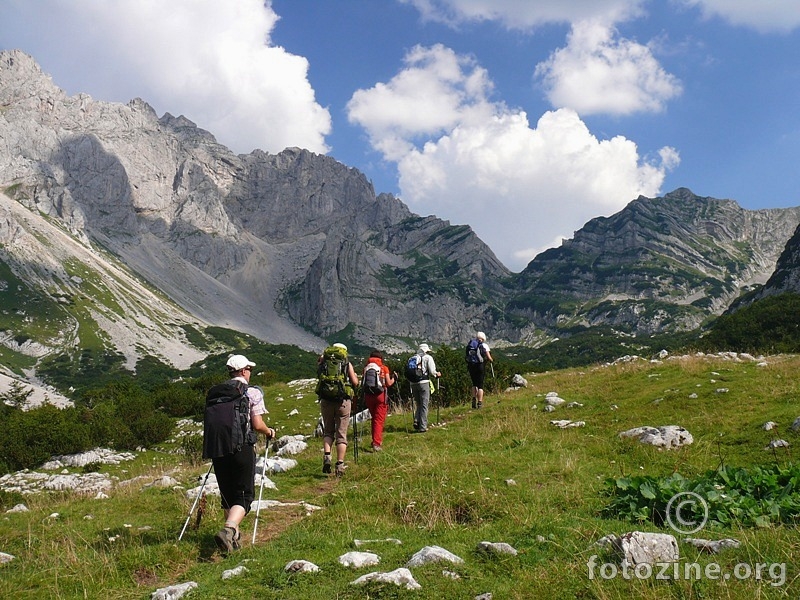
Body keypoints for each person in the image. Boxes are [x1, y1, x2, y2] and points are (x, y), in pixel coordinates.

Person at [211, 354, 275, 554]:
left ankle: (233, 539)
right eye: (249, 369)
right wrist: (269, 431)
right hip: (241, 447)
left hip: (218, 448)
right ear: (244, 371)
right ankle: (229, 530)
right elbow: (256, 424)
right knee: (244, 495)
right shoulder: (252, 392)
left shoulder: (216, 392)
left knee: (227, 496)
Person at [318, 343, 359, 476]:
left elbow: (319, 376)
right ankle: (340, 464)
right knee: (341, 433)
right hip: (342, 401)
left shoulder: (324, 361)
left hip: (326, 400)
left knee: (328, 431)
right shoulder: (346, 363)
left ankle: (327, 456)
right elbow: (355, 382)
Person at [362, 350, 396, 452]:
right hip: (380, 395)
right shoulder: (383, 368)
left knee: (374, 418)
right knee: (379, 420)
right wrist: (394, 378)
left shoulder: (366, 368)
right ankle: (376, 443)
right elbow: (388, 383)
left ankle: (374, 440)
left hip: (368, 396)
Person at [411, 343, 440, 433]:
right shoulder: (428, 358)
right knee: (424, 404)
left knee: (418, 403)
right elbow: (432, 371)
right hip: (424, 382)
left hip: (413, 383)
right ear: (426, 350)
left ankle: (417, 420)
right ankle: (423, 427)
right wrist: (437, 374)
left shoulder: (412, 358)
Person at [467, 331, 494, 409]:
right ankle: (479, 403)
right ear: (483, 338)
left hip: (471, 365)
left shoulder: (471, 344)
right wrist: (491, 360)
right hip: (480, 366)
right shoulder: (484, 345)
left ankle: (473, 400)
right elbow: (489, 357)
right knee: (480, 385)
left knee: (474, 384)